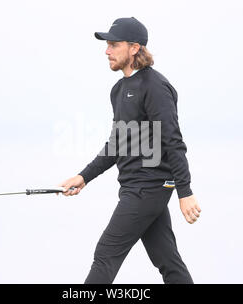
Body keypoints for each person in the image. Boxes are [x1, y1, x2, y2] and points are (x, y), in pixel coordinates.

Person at [57, 17, 201, 284]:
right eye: (107, 45)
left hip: (148, 188)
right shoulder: (118, 90)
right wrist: (83, 177)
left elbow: (173, 141)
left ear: (134, 48)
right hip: (136, 187)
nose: (107, 51)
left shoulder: (155, 87)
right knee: (167, 260)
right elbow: (117, 144)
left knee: (106, 253)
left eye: (113, 44)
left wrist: (186, 191)